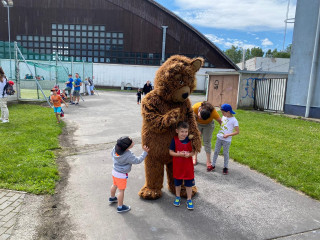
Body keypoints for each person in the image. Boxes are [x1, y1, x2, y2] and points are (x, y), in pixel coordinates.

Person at [109, 136, 149, 213]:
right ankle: (120, 207)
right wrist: (145, 152)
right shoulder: (128, 155)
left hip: (114, 171)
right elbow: (137, 160)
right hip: (121, 175)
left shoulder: (115, 148)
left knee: (114, 185)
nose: (133, 141)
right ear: (127, 148)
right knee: (121, 191)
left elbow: (112, 154)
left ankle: (112, 197)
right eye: (131, 142)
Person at [169, 121, 195, 210]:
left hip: (188, 167)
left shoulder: (190, 140)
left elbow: (194, 151)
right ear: (177, 131)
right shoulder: (174, 140)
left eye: (186, 131)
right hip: (178, 167)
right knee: (177, 183)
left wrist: (190, 154)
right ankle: (177, 197)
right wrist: (179, 154)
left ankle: (189, 199)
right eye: (182, 131)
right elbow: (171, 152)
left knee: (188, 184)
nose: (184, 134)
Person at [208, 104, 239, 175]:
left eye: (223, 112)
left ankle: (225, 167)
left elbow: (237, 132)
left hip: (226, 140)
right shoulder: (224, 117)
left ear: (228, 112)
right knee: (216, 151)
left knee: (225, 153)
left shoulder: (234, 120)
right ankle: (213, 165)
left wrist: (228, 135)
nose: (222, 114)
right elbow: (223, 125)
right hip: (219, 138)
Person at [192, 101, 222, 170]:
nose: (200, 118)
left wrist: (224, 131)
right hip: (197, 124)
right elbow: (191, 119)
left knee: (207, 142)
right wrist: (196, 129)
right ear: (200, 110)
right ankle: (194, 158)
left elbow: (220, 121)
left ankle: (208, 161)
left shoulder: (213, 112)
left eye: (202, 119)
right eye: (200, 116)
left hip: (208, 125)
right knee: (196, 140)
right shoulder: (195, 108)